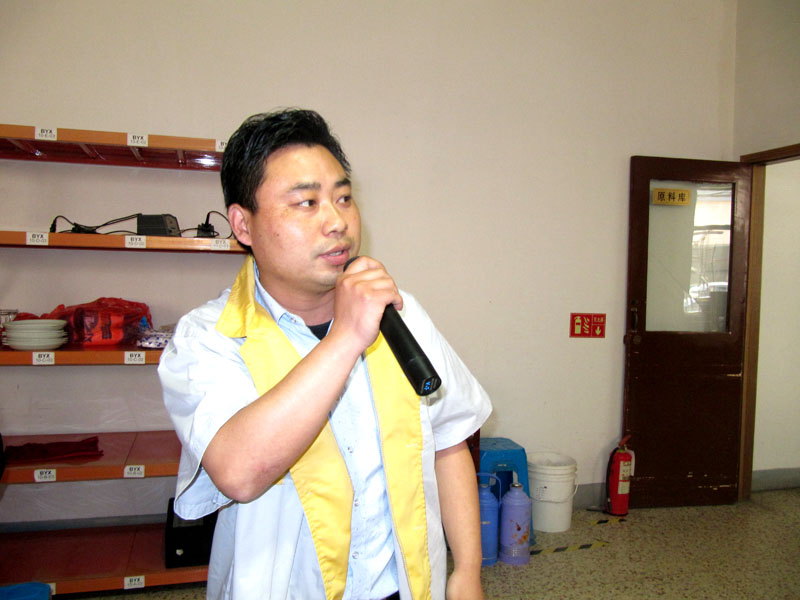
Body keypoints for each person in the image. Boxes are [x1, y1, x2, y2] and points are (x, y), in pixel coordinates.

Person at [158, 108, 492, 600]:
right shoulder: (209, 337)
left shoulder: (400, 313)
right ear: (243, 225)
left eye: (343, 198)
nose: (337, 222)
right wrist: (346, 337)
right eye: (306, 203)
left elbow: (449, 440)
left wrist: (467, 571)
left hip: (402, 586)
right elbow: (240, 473)